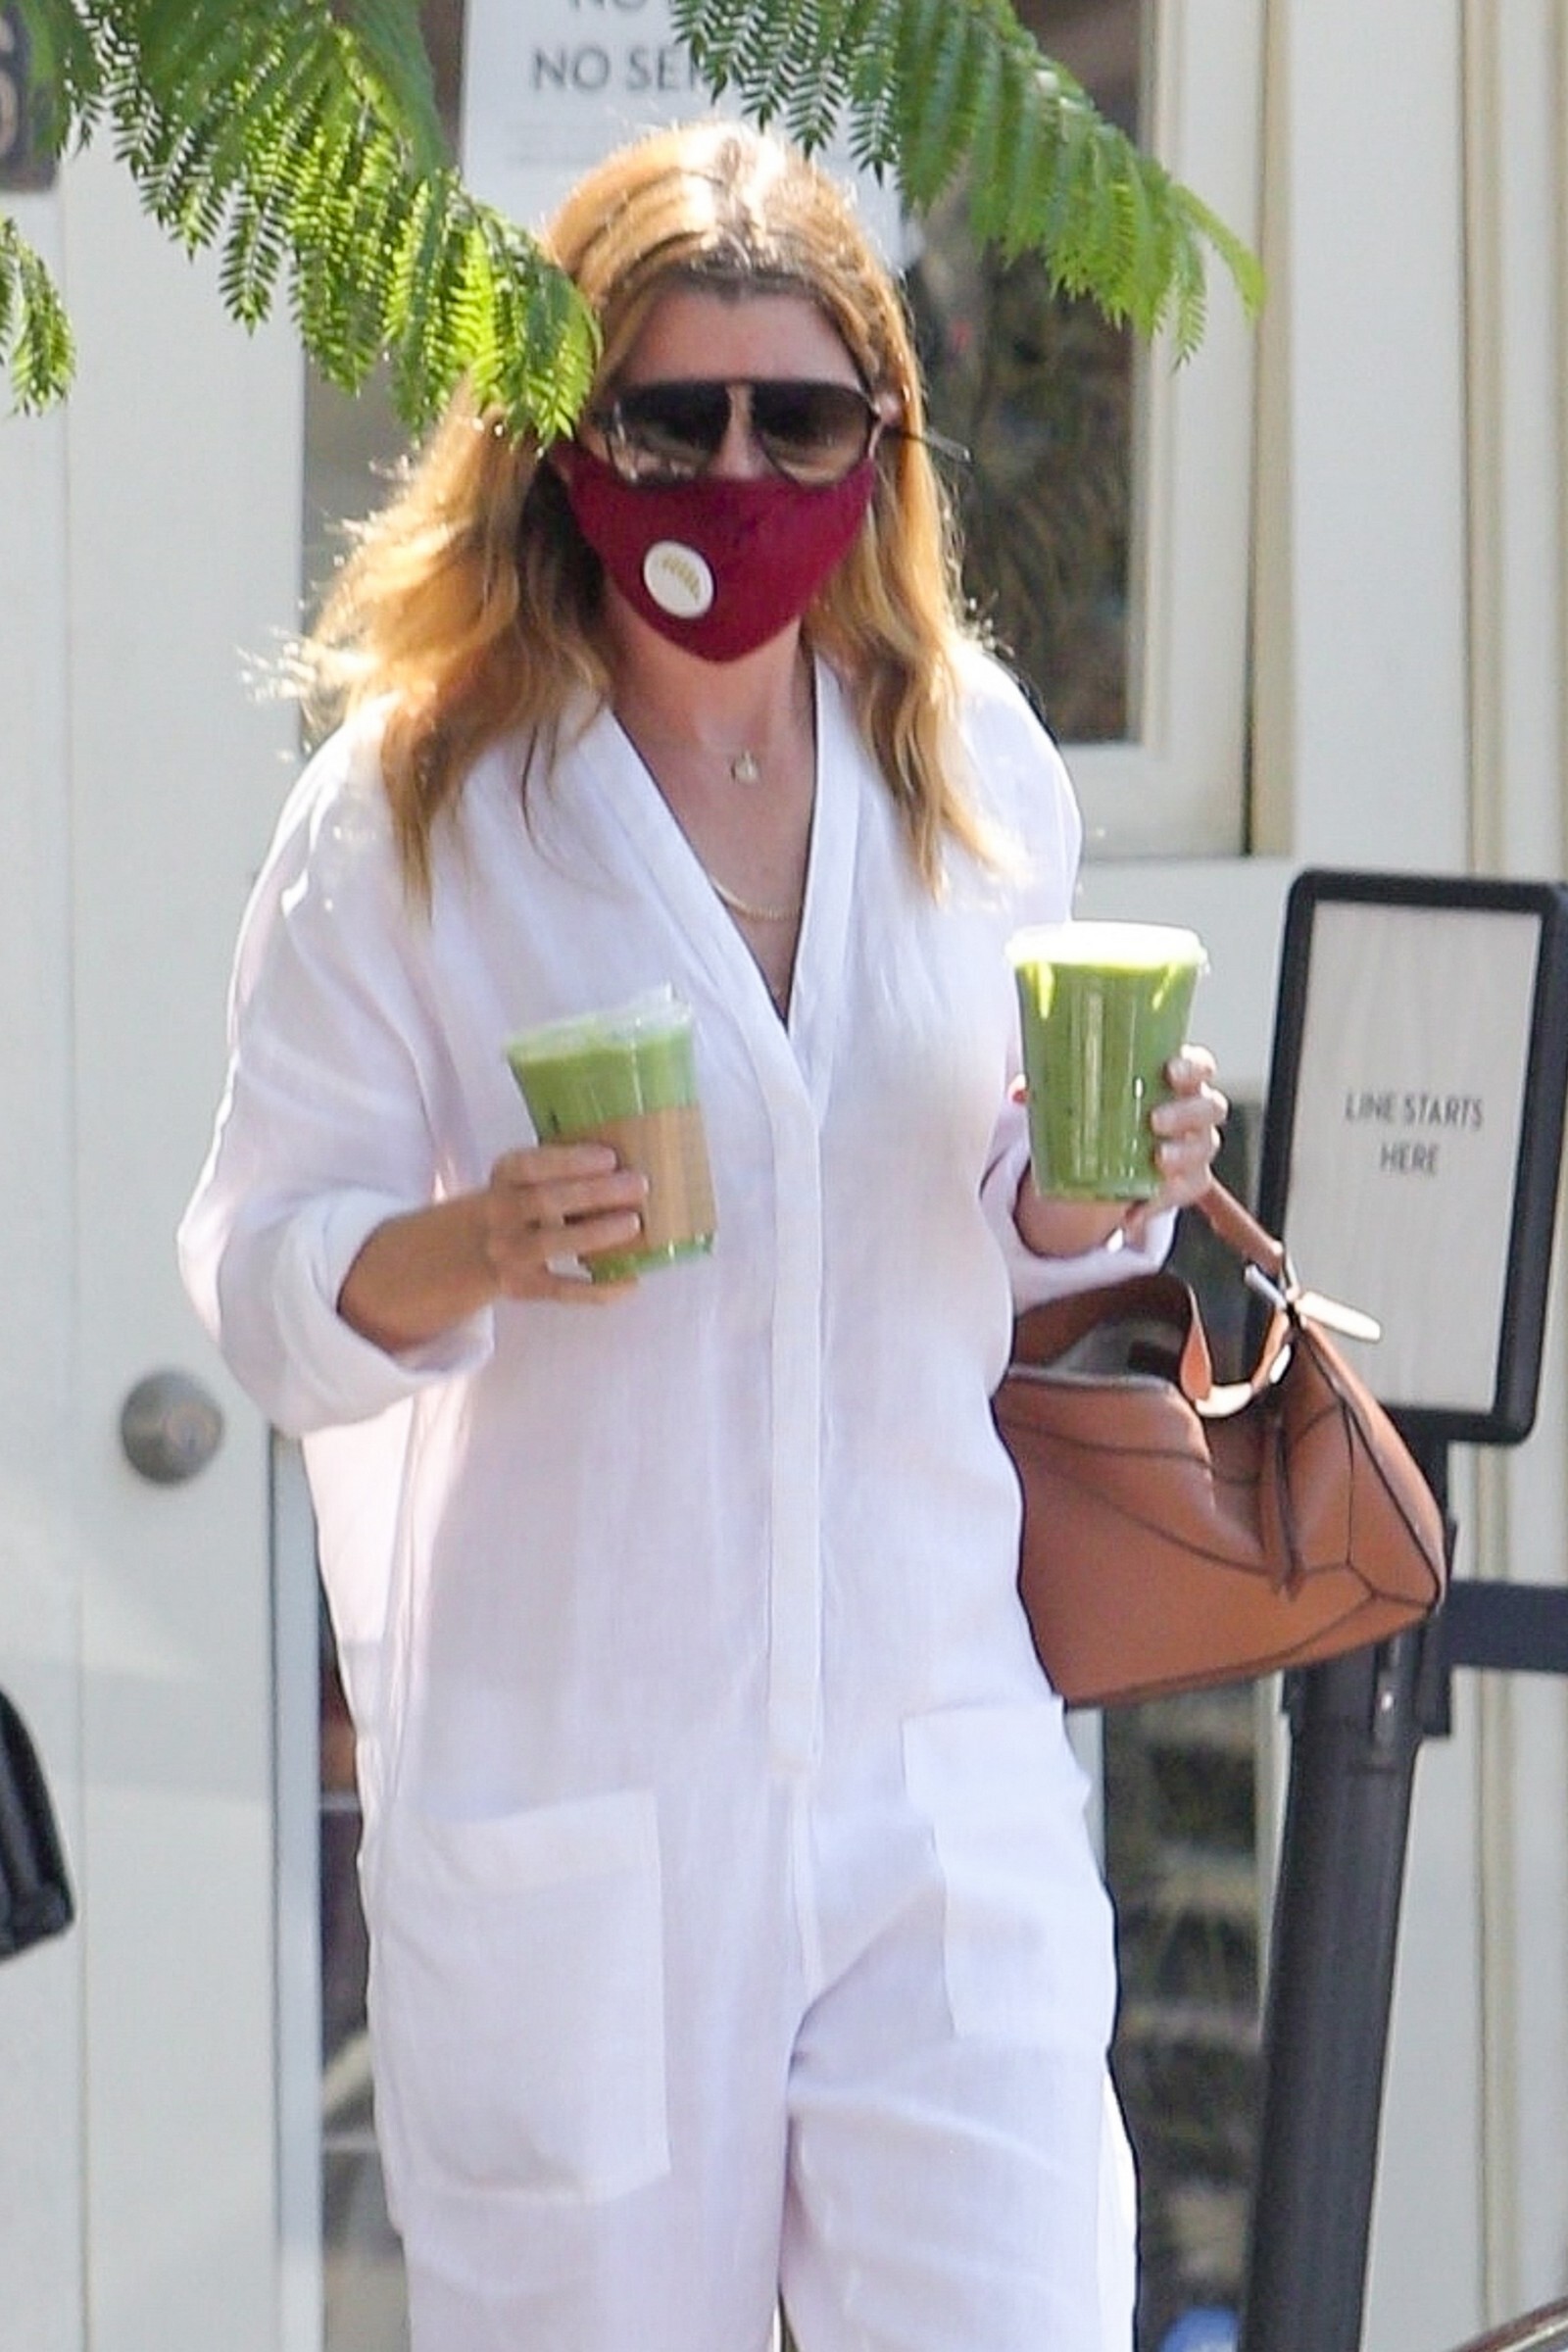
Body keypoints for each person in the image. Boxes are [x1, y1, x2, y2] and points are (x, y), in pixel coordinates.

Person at [178, 117, 1227, 2352]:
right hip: (586, 1793)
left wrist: (1090, 1186)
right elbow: (263, 1286)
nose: (735, 473)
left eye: (799, 421)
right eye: (671, 421)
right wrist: (474, 1244)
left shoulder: (971, 776)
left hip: (933, 1774)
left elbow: (1014, 1259)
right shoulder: (415, 816)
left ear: (881, 444)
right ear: (561, 442)